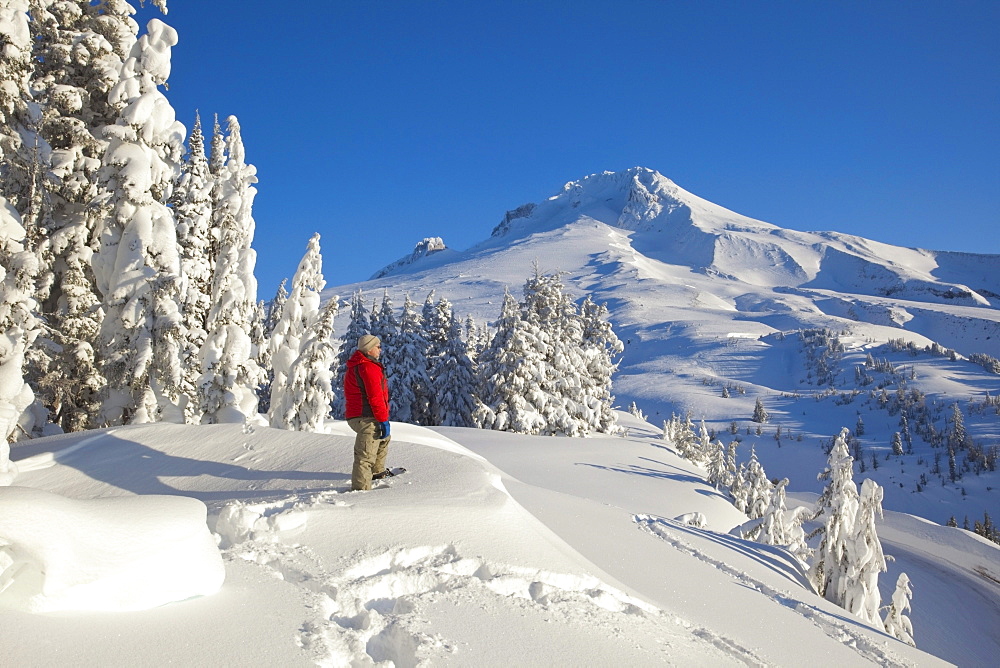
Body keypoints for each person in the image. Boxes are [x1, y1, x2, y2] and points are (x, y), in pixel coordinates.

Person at [344, 334, 392, 490]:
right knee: (365, 455)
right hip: (364, 417)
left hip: (363, 415)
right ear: (369, 349)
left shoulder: (363, 365)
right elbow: (375, 397)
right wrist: (383, 419)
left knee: (383, 439)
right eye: (378, 347)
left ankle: (377, 473)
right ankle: (361, 490)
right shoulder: (367, 367)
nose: (380, 349)